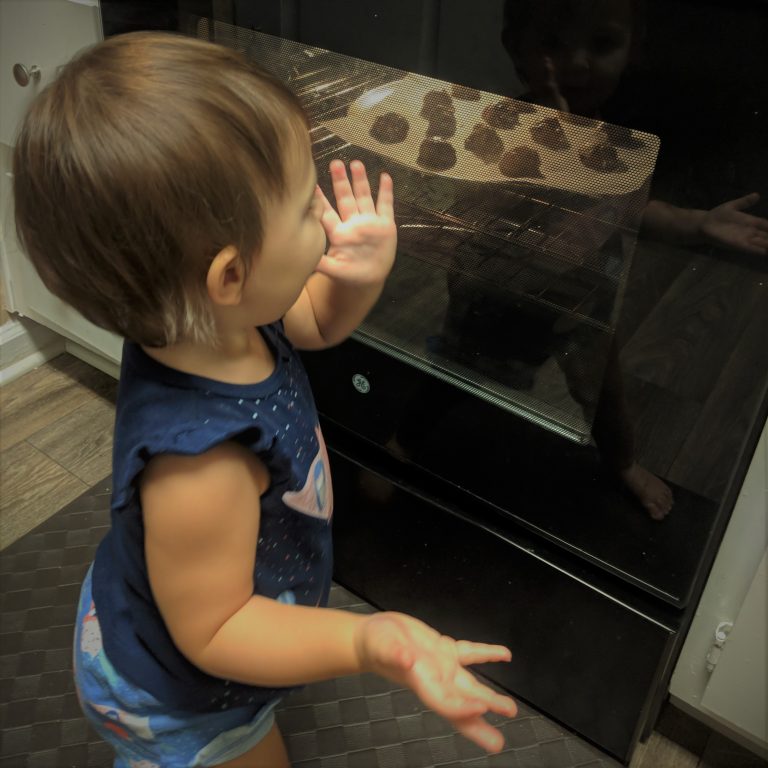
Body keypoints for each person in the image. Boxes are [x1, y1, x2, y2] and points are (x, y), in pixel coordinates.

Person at [12, 32, 518, 768]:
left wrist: (359, 277)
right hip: (180, 696)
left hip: (167, 592)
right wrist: (366, 640)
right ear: (229, 276)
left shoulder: (207, 320)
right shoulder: (203, 463)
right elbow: (217, 631)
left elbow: (315, 322)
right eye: (305, 209)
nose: (323, 213)